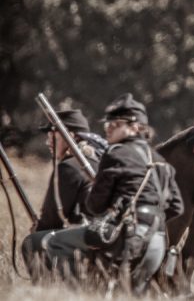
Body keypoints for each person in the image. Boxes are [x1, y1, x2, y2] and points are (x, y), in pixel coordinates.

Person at [46, 94, 183, 294]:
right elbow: (176, 207)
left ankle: (82, 295)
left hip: (125, 241)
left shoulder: (115, 153)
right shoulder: (159, 159)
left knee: (53, 242)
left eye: (116, 124)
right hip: (157, 244)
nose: (109, 127)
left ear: (137, 127)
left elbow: (94, 206)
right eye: (108, 124)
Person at [21, 109, 102, 278]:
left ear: (70, 136)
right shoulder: (98, 162)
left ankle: (48, 292)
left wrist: (38, 228)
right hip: (104, 236)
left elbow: (52, 220)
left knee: (32, 243)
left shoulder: (68, 167)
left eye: (53, 134)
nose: (48, 141)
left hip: (86, 238)